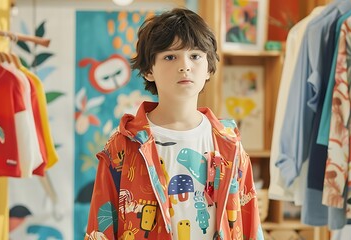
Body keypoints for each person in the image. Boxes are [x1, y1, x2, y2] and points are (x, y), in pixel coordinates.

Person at [85, 7, 264, 240]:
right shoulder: (122, 146)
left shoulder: (229, 144)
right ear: (149, 70)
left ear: (209, 67)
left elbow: (250, 224)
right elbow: (101, 227)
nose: (185, 66)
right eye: (170, 56)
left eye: (195, 56)